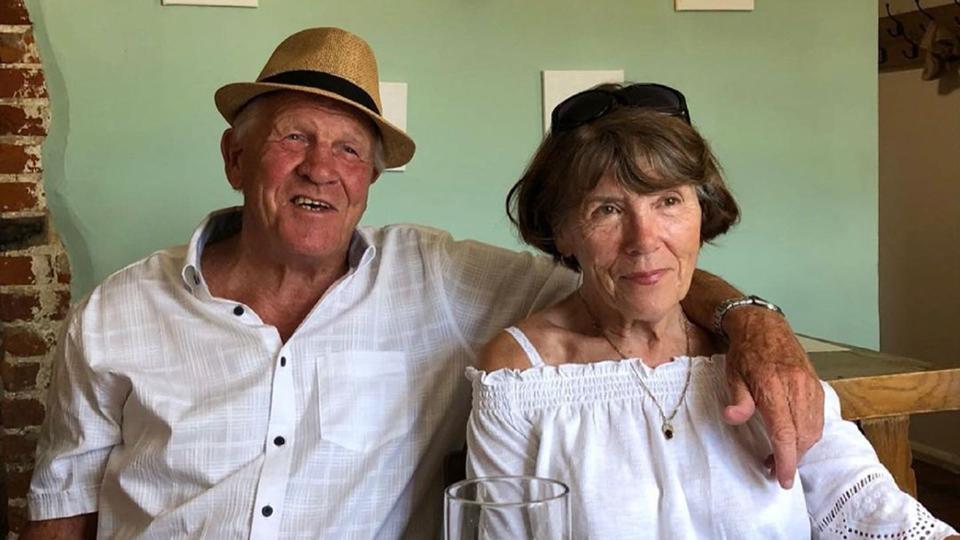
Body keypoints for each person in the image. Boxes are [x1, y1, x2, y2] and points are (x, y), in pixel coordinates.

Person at [24, 29, 821, 539]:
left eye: (348, 150)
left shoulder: (439, 278)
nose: (319, 169)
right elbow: (63, 508)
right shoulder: (119, 312)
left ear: (371, 180)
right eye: (293, 137)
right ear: (236, 159)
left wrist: (752, 318)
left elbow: (629, 267)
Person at [465, 84, 959, 539]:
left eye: (668, 201)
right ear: (564, 231)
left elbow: (866, 502)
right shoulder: (520, 376)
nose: (644, 241)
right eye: (607, 210)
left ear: (703, 214)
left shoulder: (756, 351)